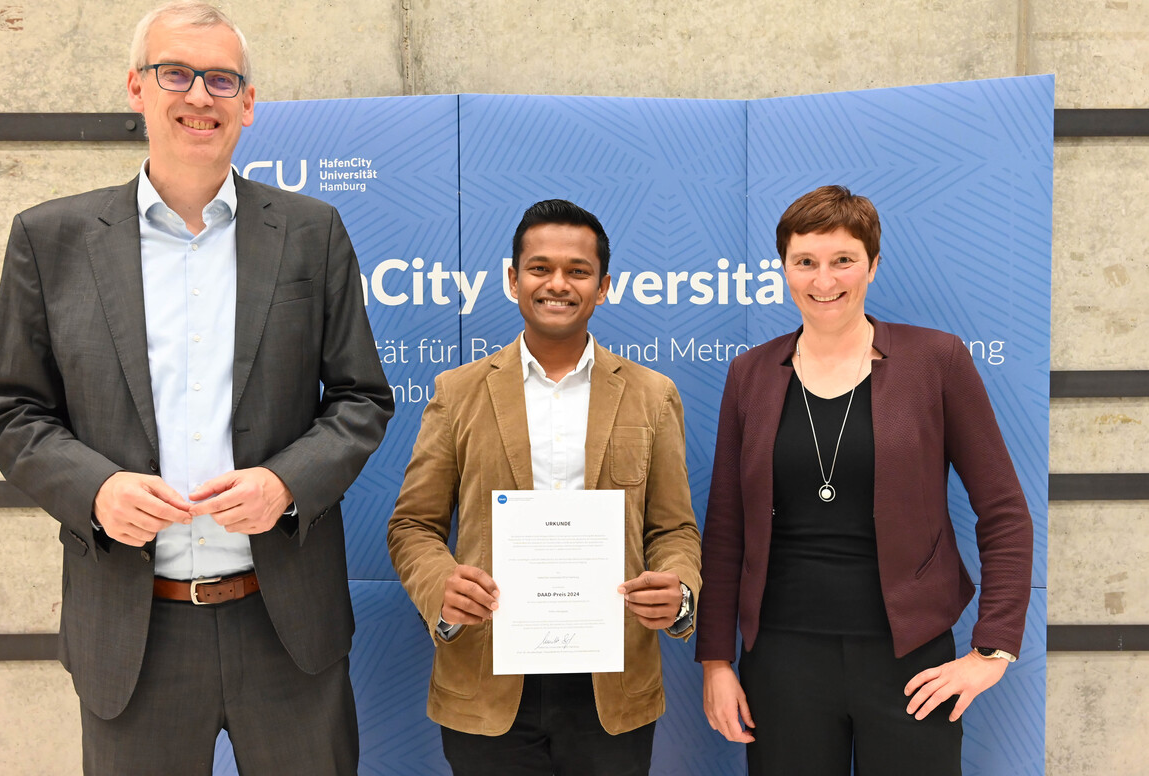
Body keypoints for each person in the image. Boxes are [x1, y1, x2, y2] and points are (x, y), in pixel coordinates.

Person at [0, 0, 393, 775]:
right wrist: (97, 491)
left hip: (285, 628)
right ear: (136, 88)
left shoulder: (311, 232)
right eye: (176, 73)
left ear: (249, 102)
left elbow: (361, 398)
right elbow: (11, 411)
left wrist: (285, 483)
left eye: (222, 79)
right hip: (133, 636)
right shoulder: (51, 239)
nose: (200, 95)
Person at [694, 185, 1034, 775]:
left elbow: (1003, 510)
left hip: (910, 660)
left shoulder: (937, 361)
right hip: (781, 658)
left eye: (843, 260)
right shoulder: (751, 373)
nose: (824, 280)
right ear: (784, 270)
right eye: (805, 263)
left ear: (873, 265)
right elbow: (726, 528)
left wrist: (994, 648)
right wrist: (717, 663)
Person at [387, 199, 702, 776]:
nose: (558, 283)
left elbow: (674, 528)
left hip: (613, 686)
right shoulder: (457, 393)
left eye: (578, 271)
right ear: (513, 279)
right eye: (539, 268)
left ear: (603, 286)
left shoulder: (653, 395)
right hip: (486, 681)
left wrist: (679, 591)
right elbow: (413, 526)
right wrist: (442, 588)